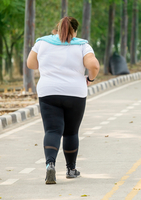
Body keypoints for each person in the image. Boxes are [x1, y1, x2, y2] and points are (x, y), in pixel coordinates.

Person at [27, 16, 100, 184]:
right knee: (71, 132)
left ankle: (50, 165)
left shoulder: (42, 43)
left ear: (57, 28)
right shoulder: (82, 45)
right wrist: (91, 79)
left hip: (48, 92)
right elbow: (94, 66)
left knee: (52, 131)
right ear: (74, 31)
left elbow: (31, 64)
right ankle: (71, 169)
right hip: (75, 92)